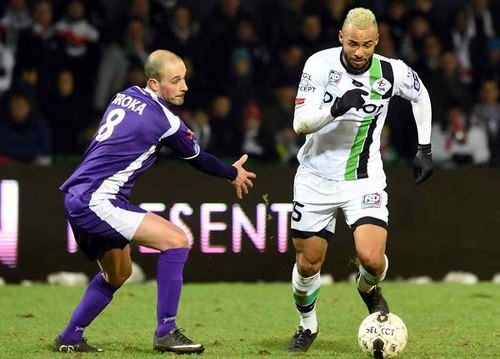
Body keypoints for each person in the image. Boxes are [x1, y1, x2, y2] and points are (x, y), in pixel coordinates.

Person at [52, 50, 256, 354]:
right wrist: (232, 173)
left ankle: (69, 338)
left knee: (118, 273)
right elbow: (198, 158)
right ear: (154, 83)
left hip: (77, 196)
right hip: (99, 200)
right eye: (175, 81)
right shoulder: (164, 120)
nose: (184, 86)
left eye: (185, 78)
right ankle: (167, 331)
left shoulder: (125, 95)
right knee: (176, 240)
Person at [286, 8, 433, 352]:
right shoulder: (319, 65)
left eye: (367, 45)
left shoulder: (391, 71)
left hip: (363, 178)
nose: (359, 52)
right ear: (341, 37)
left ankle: (368, 287)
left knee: (371, 258)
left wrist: (424, 147)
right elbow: (300, 123)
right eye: (352, 43)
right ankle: (307, 326)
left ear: (376, 42)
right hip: (315, 177)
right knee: (308, 263)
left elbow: (421, 95)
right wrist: (336, 108)